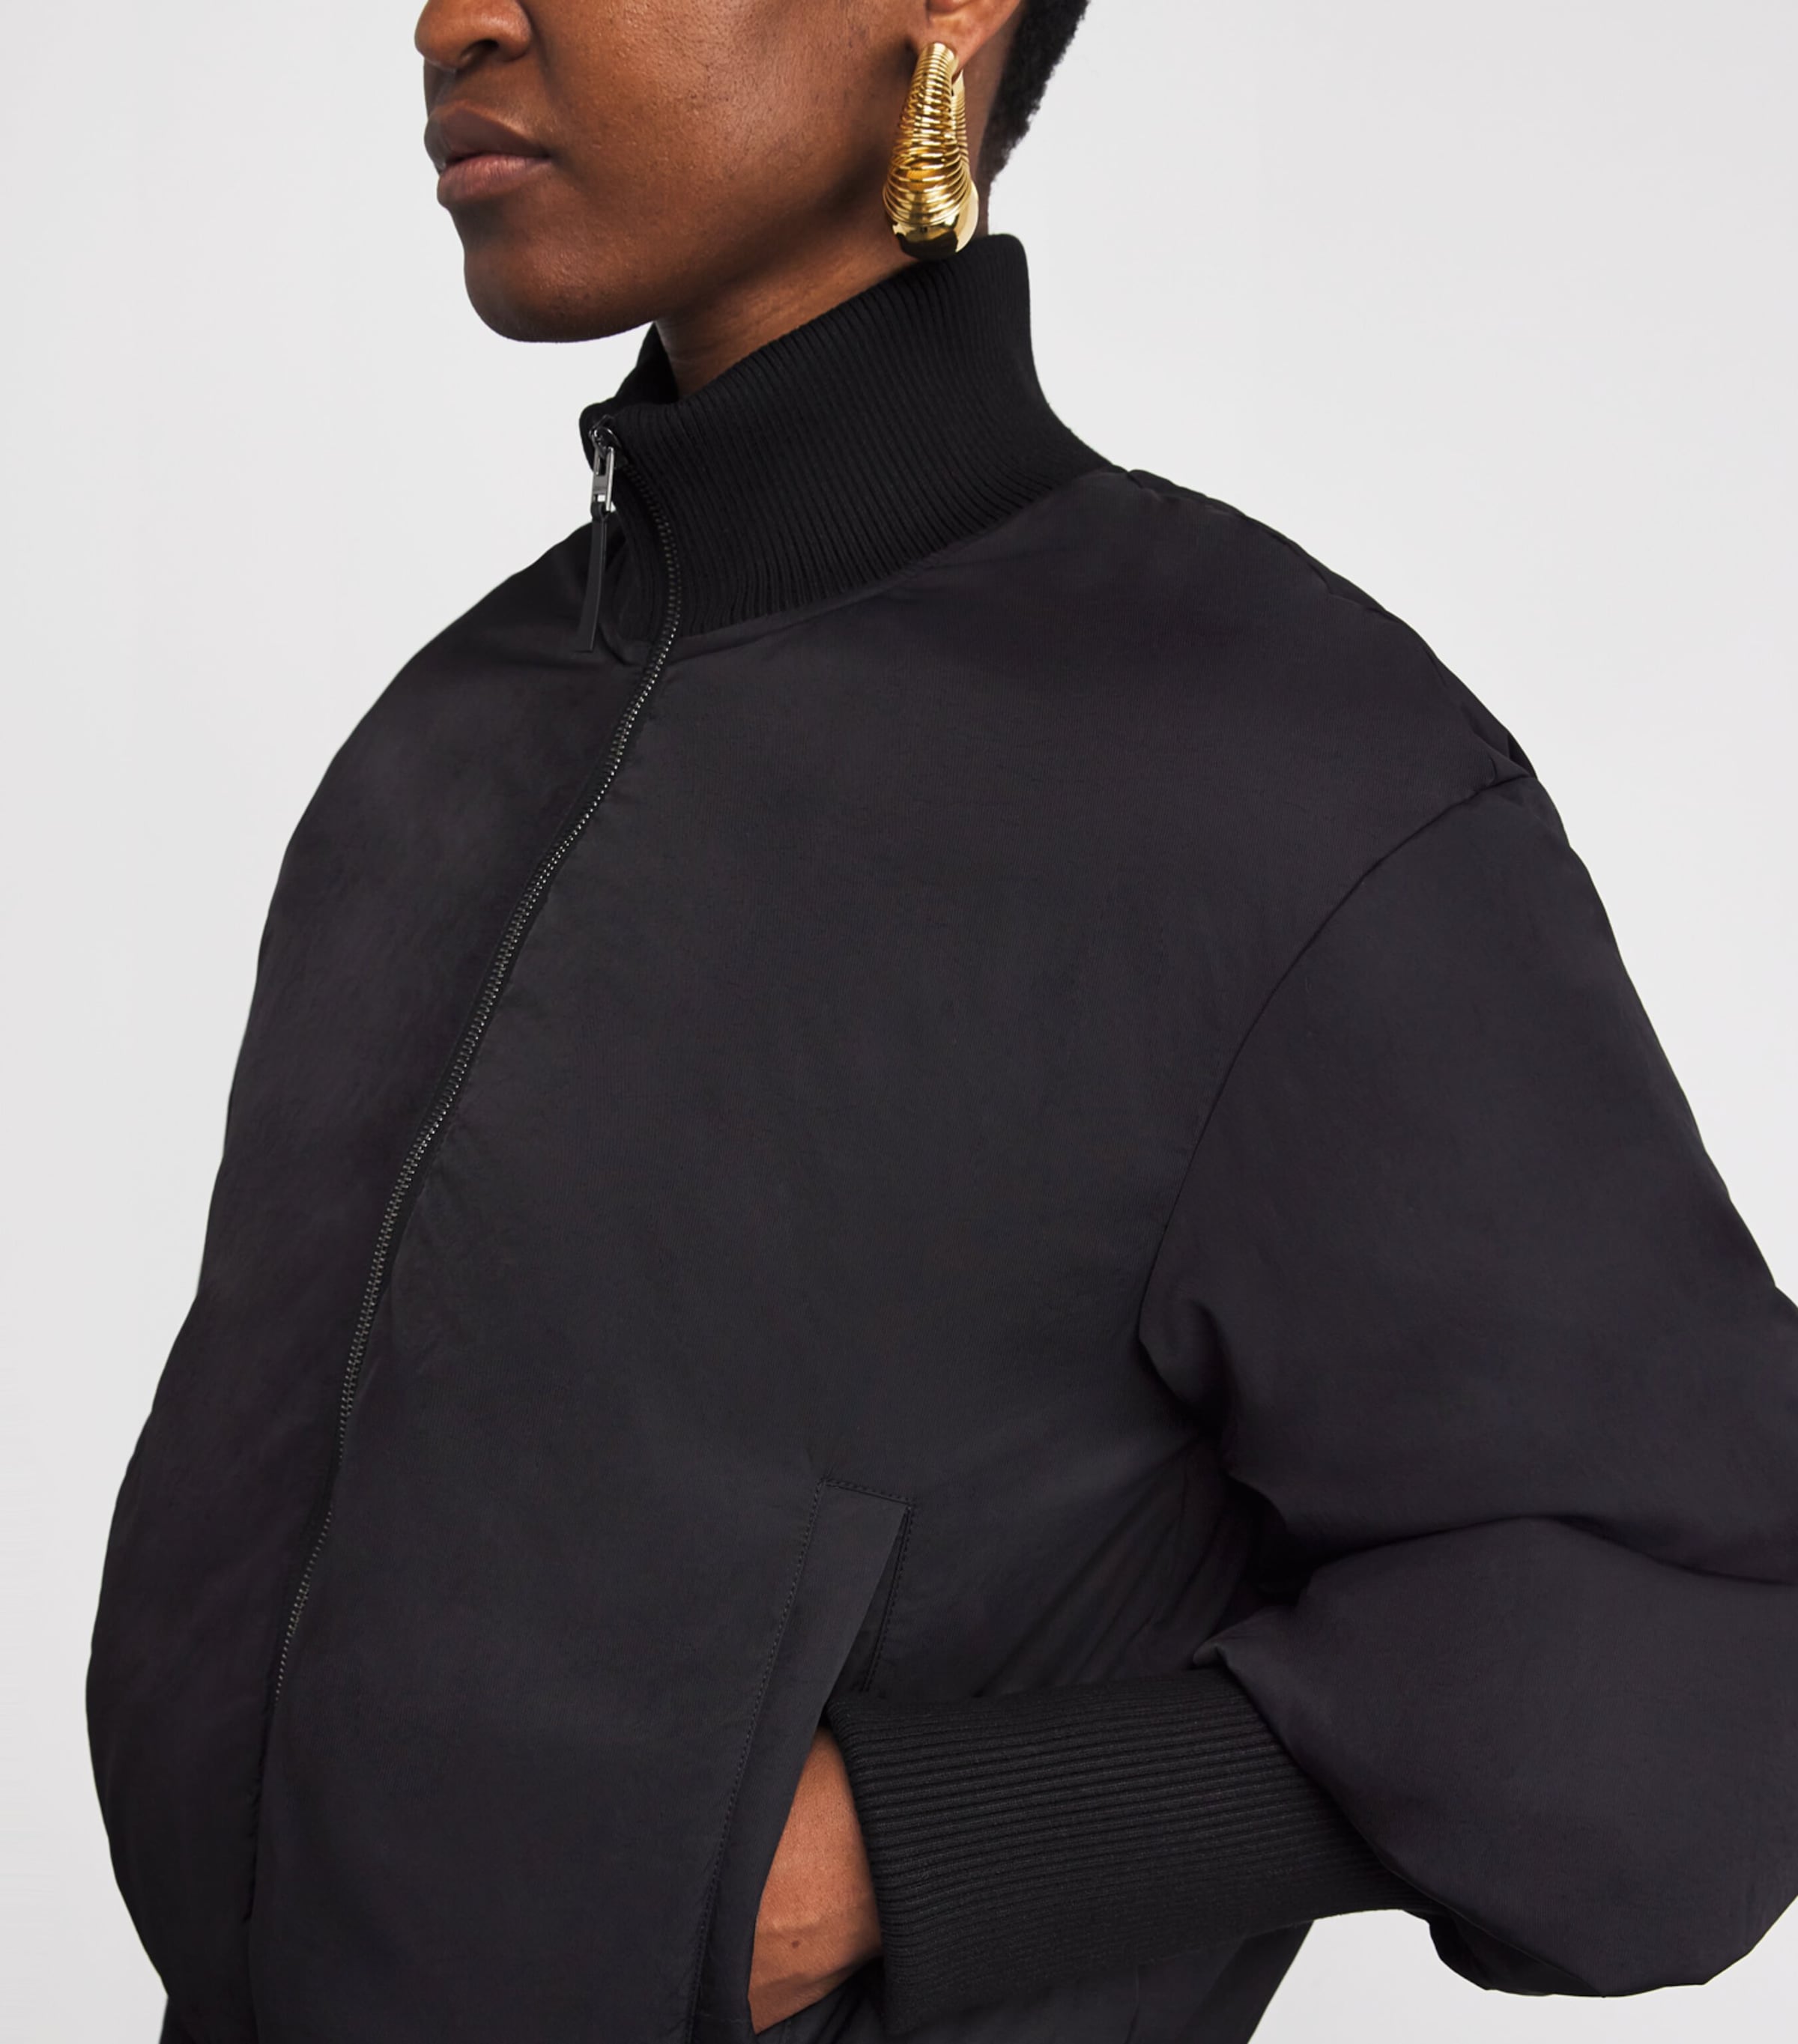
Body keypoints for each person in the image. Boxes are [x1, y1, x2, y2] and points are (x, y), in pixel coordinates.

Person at [88, 1, 1798, 2040]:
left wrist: (911, 1850)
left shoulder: (1272, 775)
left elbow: (1718, 1649)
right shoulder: (445, 738)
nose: (456, 17)